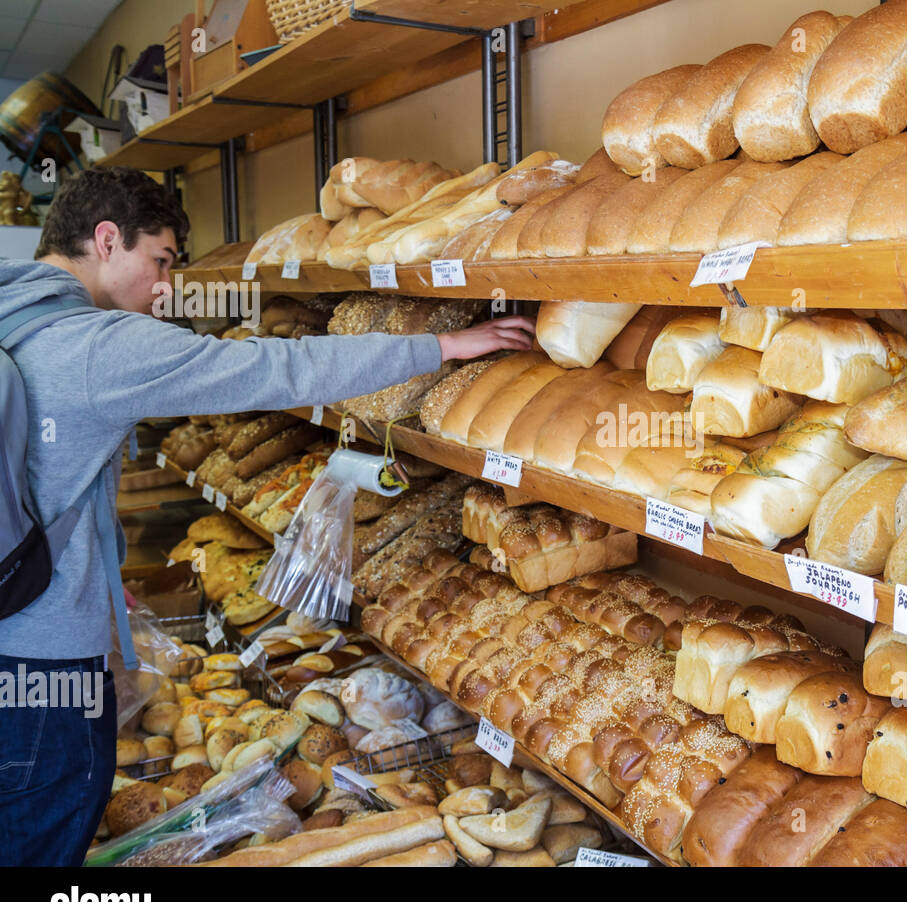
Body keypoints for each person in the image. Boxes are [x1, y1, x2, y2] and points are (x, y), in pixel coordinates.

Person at [0, 166, 534, 866]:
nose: (164, 288)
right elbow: (273, 367)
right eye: (159, 261)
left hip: (14, 633)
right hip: (46, 667)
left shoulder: (13, 308)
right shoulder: (98, 344)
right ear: (106, 240)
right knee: (42, 846)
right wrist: (441, 347)